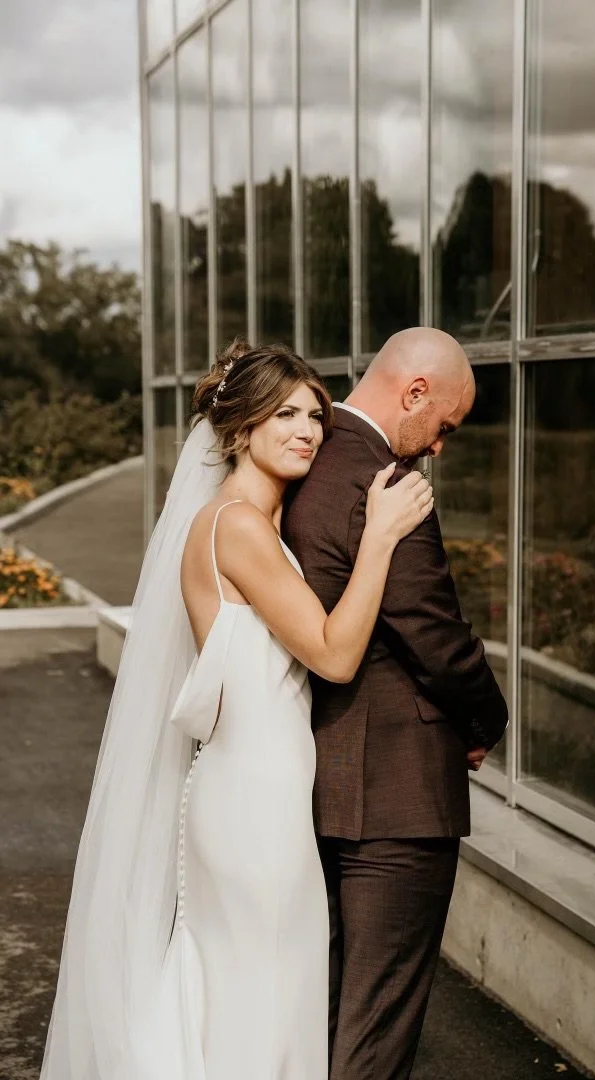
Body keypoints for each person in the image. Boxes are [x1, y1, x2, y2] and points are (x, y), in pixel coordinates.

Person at [40, 340, 434, 1080]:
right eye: (285, 415)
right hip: (254, 806)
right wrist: (381, 536)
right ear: (242, 426)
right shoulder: (238, 526)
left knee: (244, 1001)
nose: (307, 431)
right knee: (265, 1003)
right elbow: (334, 655)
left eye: (315, 416)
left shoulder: (252, 521)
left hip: (252, 793)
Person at [284, 326, 509, 1080]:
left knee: (323, 1012)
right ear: (414, 392)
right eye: (444, 426)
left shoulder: (303, 460)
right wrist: (488, 722)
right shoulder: (385, 482)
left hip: (316, 776)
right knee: (377, 1026)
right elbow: (433, 632)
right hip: (400, 797)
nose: (439, 447)